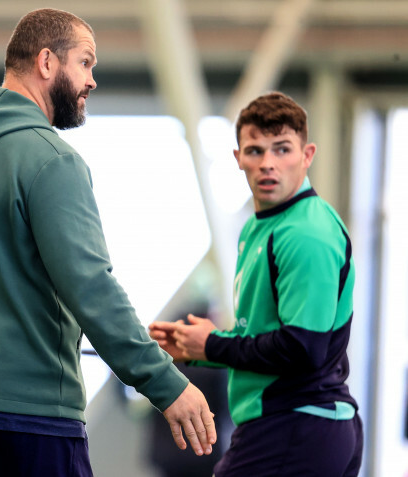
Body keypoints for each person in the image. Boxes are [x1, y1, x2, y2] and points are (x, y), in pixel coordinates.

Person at [0, 8, 216, 476]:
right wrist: (166, 384)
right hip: (27, 425)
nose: (93, 81)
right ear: (47, 62)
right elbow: (92, 289)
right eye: (86, 63)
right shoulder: (51, 160)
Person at [149, 92, 363, 476]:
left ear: (307, 155)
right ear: (238, 159)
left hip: (296, 425)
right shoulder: (259, 227)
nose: (267, 164)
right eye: (255, 151)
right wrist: (200, 347)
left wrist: (215, 344)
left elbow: (303, 348)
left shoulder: (306, 232)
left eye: (282, 150)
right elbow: (264, 333)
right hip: (292, 425)